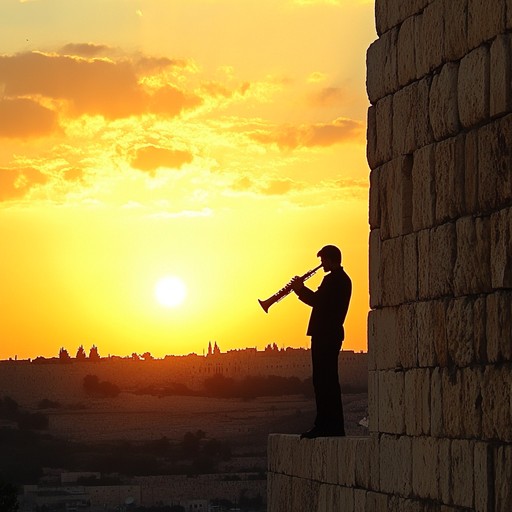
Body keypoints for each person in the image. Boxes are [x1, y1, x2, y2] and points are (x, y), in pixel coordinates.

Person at [291, 245, 352, 439]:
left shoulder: (335, 280)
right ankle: (331, 425)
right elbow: (321, 301)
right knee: (326, 380)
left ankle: (326, 425)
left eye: (323, 260)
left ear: (331, 259)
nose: (321, 264)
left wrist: (300, 290)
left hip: (326, 335)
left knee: (324, 381)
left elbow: (319, 301)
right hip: (328, 334)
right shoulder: (339, 279)